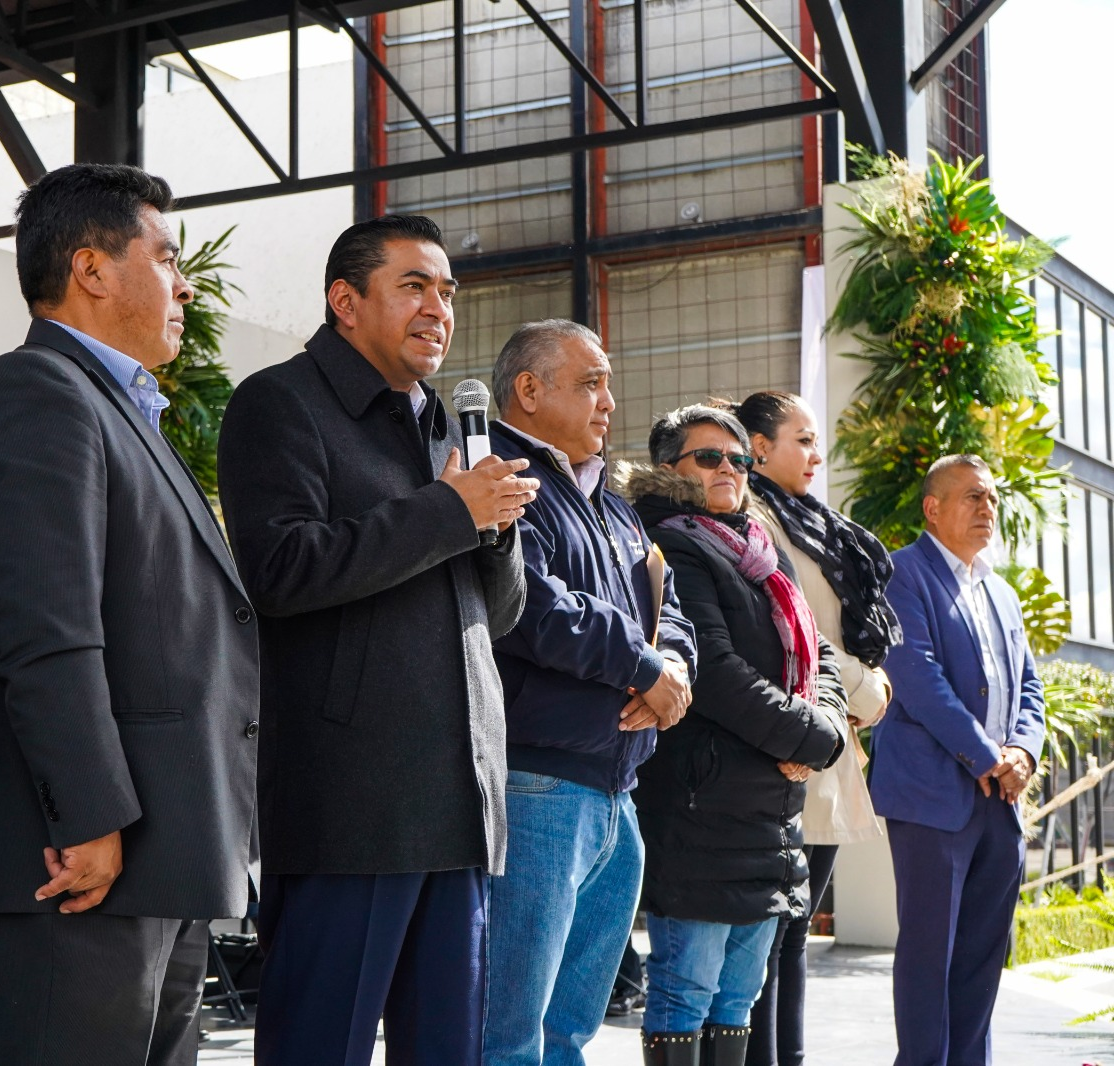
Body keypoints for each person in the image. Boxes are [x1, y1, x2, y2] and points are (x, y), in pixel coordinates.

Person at [0, 163, 259, 1065]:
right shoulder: (39, 392)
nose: (184, 286)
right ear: (91, 268)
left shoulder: (121, 408)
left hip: (158, 847)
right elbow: (46, 631)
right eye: (167, 258)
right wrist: (86, 817)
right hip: (81, 855)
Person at [217, 214, 537, 1066]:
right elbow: (280, 570)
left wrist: (494, 531)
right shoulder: (280, 404)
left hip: (460, 801)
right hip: (350, 806)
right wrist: (448, 512)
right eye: (414, 286)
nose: (439, 308)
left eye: (448, 292)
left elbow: (499, 616)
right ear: (345, 300)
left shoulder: (449, 428)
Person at [482, 319, 698, 1066]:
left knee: (570, 1033)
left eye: (608, 384)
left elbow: (667, 602)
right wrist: (643, 668)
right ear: (528, 390)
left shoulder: (612, 501)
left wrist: (674, 666)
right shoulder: (498, 479)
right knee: (509, 1036)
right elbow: (533, 609)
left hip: (616, 794)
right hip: (537, 788)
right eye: (590, 384)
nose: (609, 401)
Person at [621, 405, 846, 1066]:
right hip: (701, 808)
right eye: (709, 456)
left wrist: (827, 731)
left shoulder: (760, 548)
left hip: (770, 814)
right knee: (685, 992)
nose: (730, 468)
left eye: (740, 458)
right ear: (670, 468)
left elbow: (821, 655)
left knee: (739, 999)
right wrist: (811, 742)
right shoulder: (671, 544)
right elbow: (715, 673)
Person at [733, 391, 900, 1066]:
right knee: (769, 939)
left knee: (793, 936)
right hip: (789, 742)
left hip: (828, 742)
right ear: (759, 447)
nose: (816, 455)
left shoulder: (809, 521)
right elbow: (794, 627)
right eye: (802, 440)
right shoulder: (755, 519)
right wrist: (869, 690)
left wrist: (865, 686)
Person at [872, 454, 1045, 1066]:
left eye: (992, 497)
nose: (987, 507)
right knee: (930, 955)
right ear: (933, 507)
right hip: (932, 799)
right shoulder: (903, 574)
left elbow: (1030, 688)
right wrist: (988, 757)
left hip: (1000, 801)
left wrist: (1023, 752)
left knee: (982, 957)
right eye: (972, 496)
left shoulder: (1001, 591)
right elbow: (917, 679)